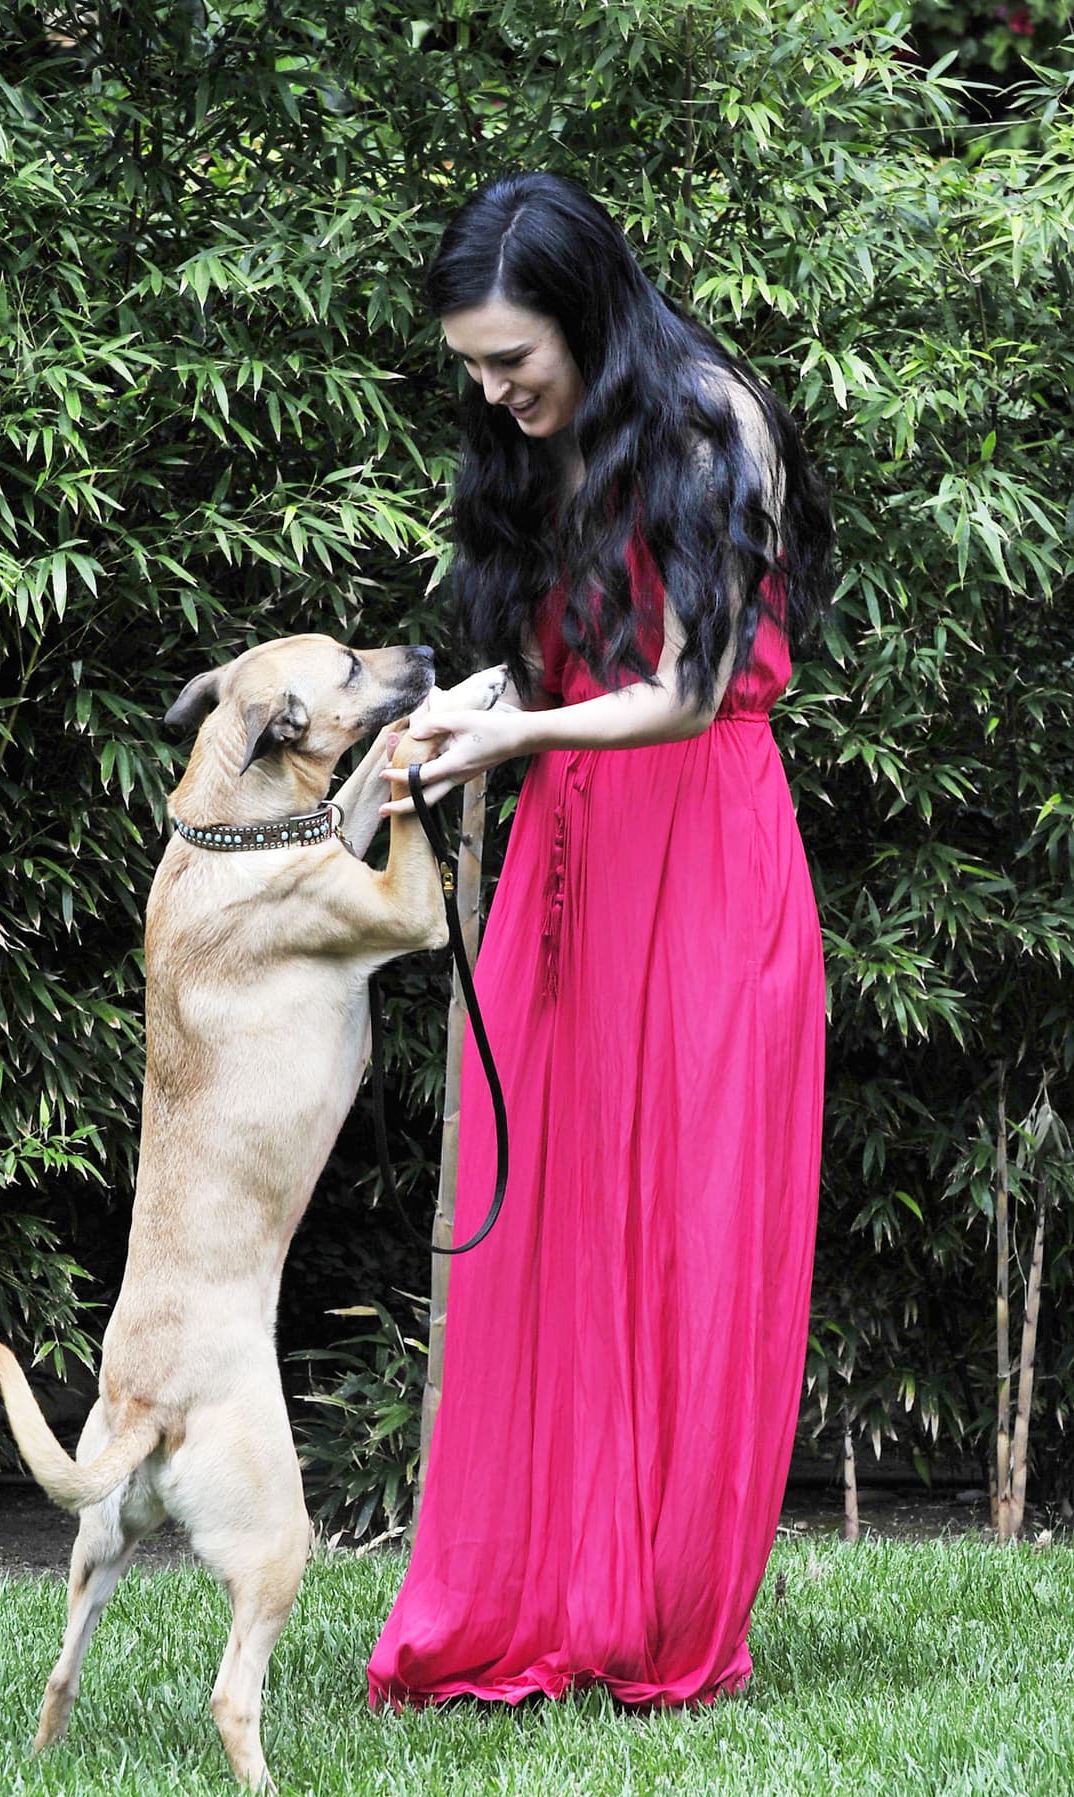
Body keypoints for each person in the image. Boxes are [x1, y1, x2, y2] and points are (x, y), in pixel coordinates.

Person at [368, 172, 832, 1711]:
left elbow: (687, 695)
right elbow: (552, 661)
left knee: (682, 1220)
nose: (496, 392)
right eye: (475, 368)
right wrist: (472, 712)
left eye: (516, 360)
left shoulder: (707, 423)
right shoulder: (535, 440)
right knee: (554, 1218)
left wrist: (518, 736)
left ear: (583, 311)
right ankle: (539, 1589)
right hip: (574, 855)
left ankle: (659, 1615)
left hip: (702, 850)